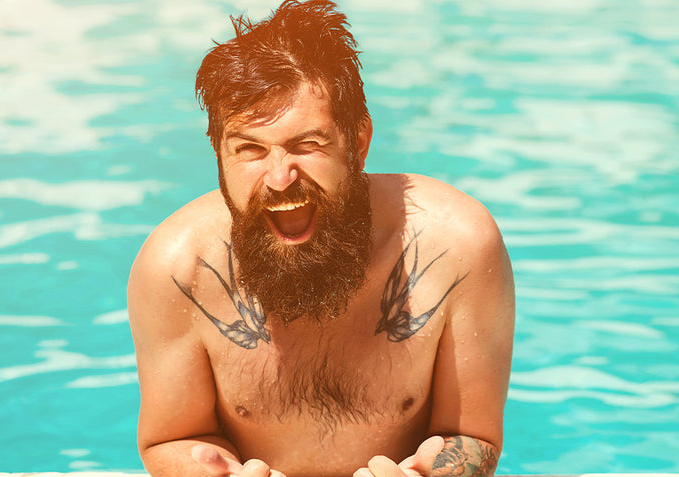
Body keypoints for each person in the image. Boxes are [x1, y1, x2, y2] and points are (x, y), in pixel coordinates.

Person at [126, 1, 514, 476]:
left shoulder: (456, 246)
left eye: (307, 145)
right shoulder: (178, 267)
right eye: (249, 149)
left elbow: (472, 436)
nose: (279, 177)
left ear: (359, 141)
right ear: (219, 154)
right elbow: (172, 437)